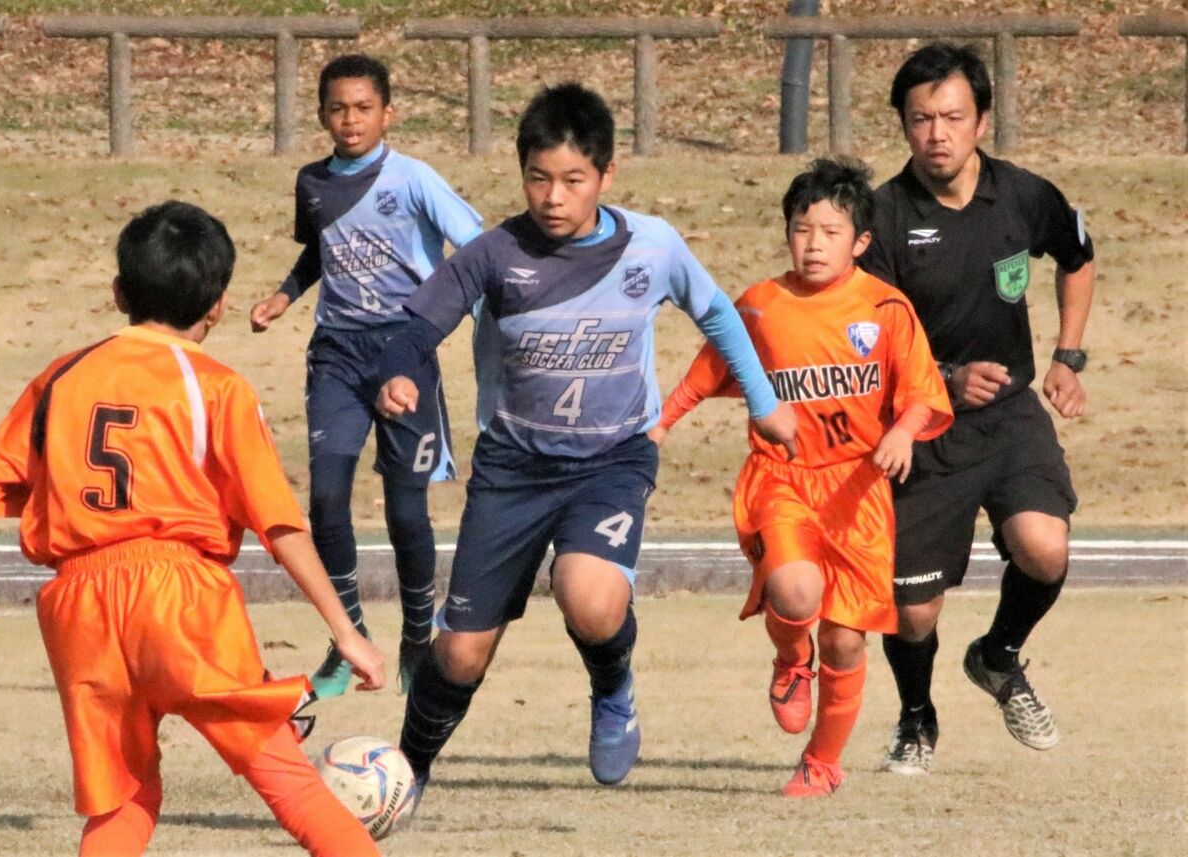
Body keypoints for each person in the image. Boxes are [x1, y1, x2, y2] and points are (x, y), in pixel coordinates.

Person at [374, 82, 797, 797]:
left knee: (590, 595)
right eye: (539, 178)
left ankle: (613, 686)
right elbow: (419, 324)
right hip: (512, 468)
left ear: (607, 174)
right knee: (461, 654)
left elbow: (720, 314)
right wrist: (398, 373)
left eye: (573, 180)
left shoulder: (651, 245)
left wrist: (763, 401)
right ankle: (407, 773)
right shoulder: (494, 252)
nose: (553, 196)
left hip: (612, 460)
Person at [0, 201, 387, 857]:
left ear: (119, 291)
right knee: (288, 780)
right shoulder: (216, 387)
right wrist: (347, 632)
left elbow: (5, 481)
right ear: (219, 305)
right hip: (180, 598)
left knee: (125, 797)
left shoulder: (59, 378)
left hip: (79, 606)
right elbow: (280, 525)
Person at [653, 157, 952, 796]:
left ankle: (822, 762)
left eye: (830, 231)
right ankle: (792, 658)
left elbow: (921, 390)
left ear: (861, 242)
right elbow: (709, 369)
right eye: (801, 229)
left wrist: (902, 431)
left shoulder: (885, 307)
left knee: (845, 643)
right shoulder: (762, 305)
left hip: (858, 491)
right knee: (794, 593)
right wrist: (662, 422)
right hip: (783, 477)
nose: (814, 244)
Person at [857, 42, 1096, 774]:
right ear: (903, 125)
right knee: (914, 611)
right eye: (921, 118)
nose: (937, 133)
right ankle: (917, 716)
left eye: (953, 116)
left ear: (981, 119)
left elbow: (1078, 257)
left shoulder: (1024, 195)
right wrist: (946, 380)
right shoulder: (882, 218)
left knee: (1045, 547)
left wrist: (1068, 355)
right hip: (918, 426)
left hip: (1011, 418)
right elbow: (865, 340)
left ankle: (997, 655)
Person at [250, 54, 483, 698]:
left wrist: (452, 320)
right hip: (336, 355)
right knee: (326, 498)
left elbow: (478, 247)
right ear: (322, 113)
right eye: (337, 109)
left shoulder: (413, 180)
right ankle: (348, 636)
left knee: (407, 510)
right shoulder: (313, 182)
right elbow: (318, 248)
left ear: (388, 113)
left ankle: (415, 638)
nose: (350, 121)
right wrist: (282, 297)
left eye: (363, 108)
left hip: (404, 353)